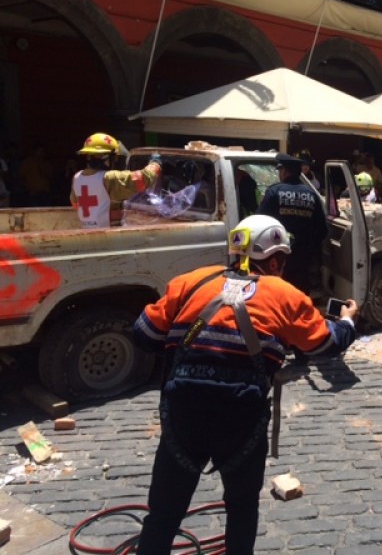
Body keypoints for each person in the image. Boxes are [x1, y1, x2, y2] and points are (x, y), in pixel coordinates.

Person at [133, 215, 359, 554]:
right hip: (240, 419)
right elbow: (326, 345)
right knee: (241, 510)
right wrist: (347, 321)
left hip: (183, 415)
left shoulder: (189, 282)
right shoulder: (284, 295)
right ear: (275, 260)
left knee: (163, 514)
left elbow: (144, 334)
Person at [256, 153, 327, 294]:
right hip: (303, 256)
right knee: (299, 293)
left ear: (285, 172)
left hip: (278, 254)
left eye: (280, 171)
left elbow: (259, 221)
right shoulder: (311, 194)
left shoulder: (274, 192)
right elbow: (322, 230)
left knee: (278, 292)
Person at [70, 133, 162, 228]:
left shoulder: (77, 178)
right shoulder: (110, 178)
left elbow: (76, 204)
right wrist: (155, 163)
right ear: (107, 158)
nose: (116, 160)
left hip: (88, 231)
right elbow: (143, 179)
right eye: (115, 157)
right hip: (110, 235)